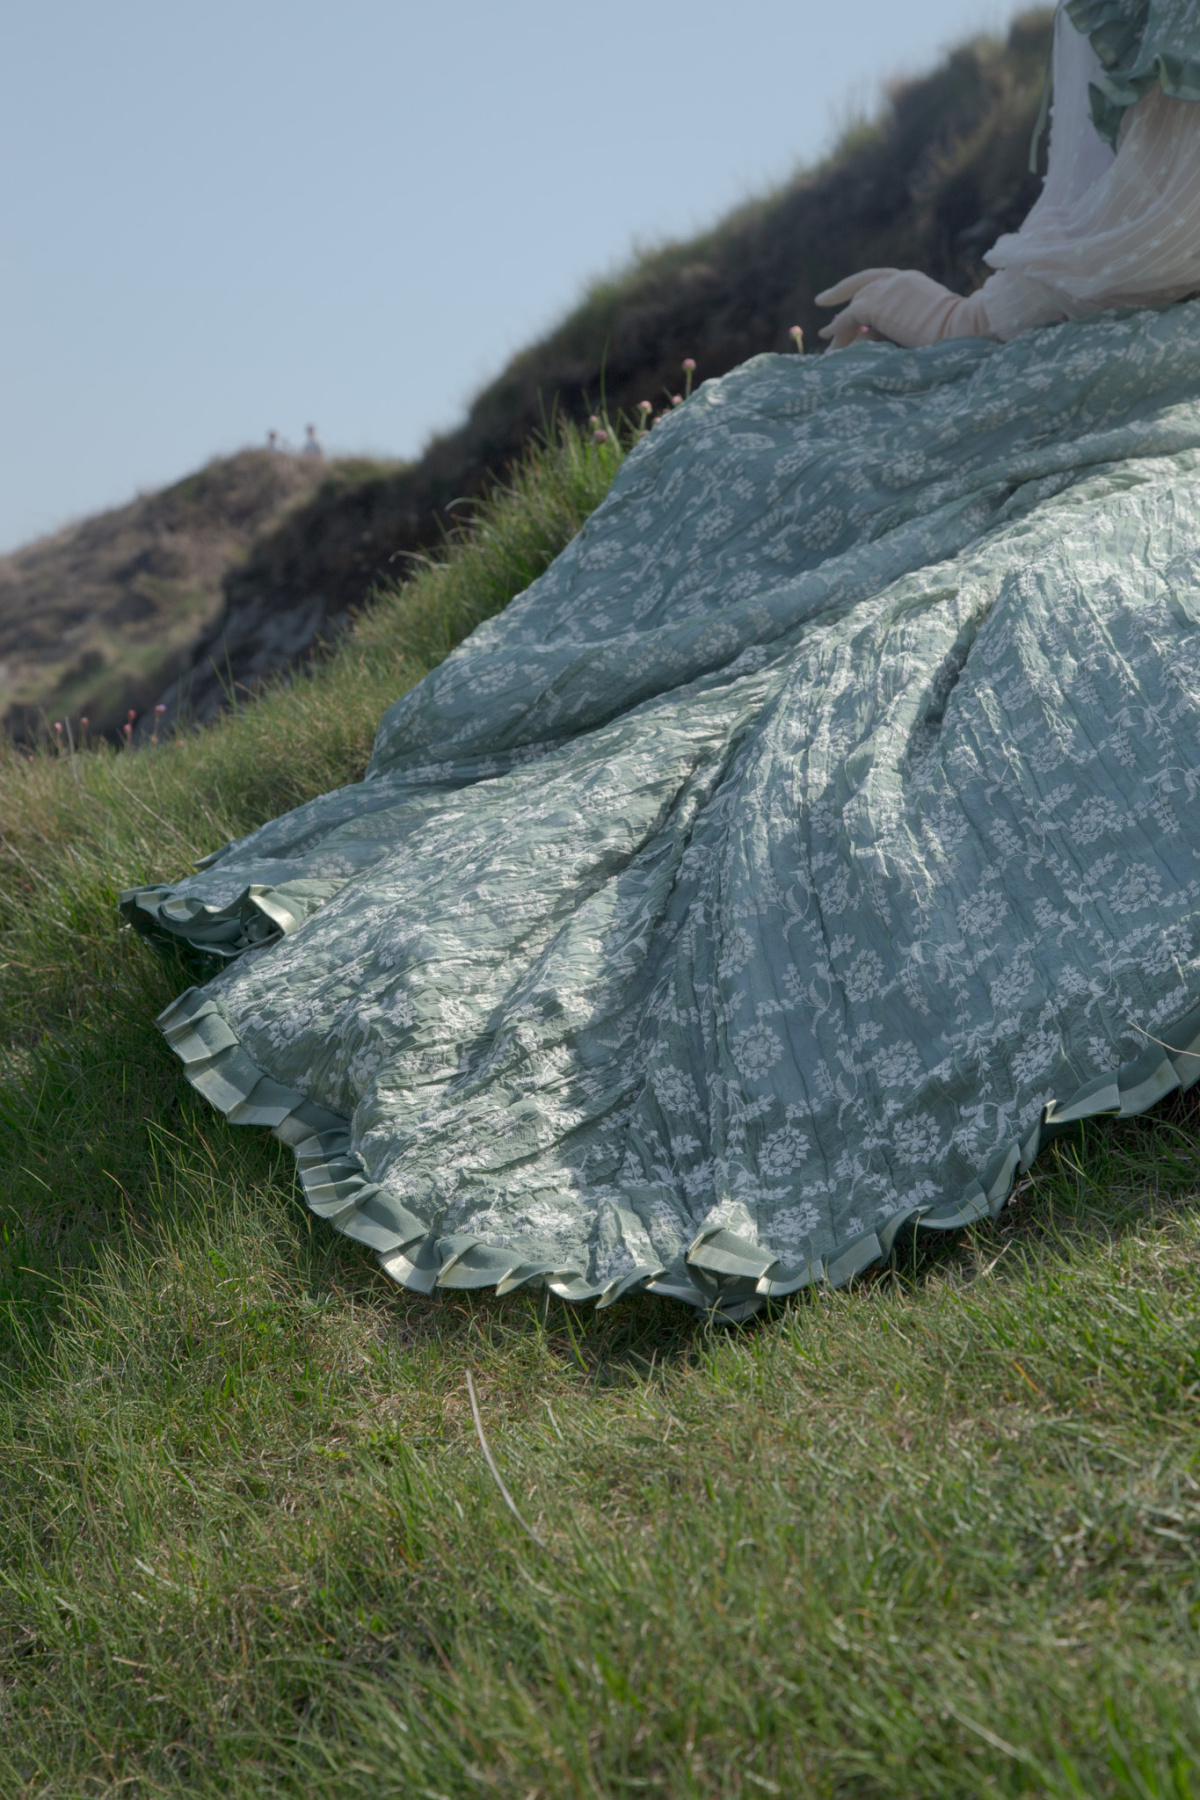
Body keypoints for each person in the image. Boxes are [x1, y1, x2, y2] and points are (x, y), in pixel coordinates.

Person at [122, 1, 1200, 1319]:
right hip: (1123, 371)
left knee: (895, 585)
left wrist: (968, 324)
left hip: (1148, 387)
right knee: (742, 443)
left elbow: (1160, 223)